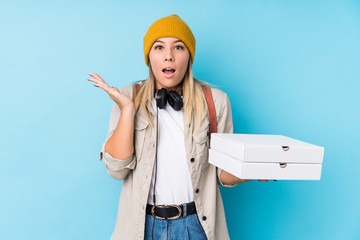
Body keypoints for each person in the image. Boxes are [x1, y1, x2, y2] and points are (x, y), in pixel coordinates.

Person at [88, 14, 271, 240]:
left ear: (189, 56)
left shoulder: (216, 101)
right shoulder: (127, 97)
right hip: (143, 227)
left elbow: (222, 174)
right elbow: (117, 170)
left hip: (195, 226)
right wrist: (127, 110)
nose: (168, 56)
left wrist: (253, 169)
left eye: (178, 47)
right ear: (149, 56)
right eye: (159, 47)